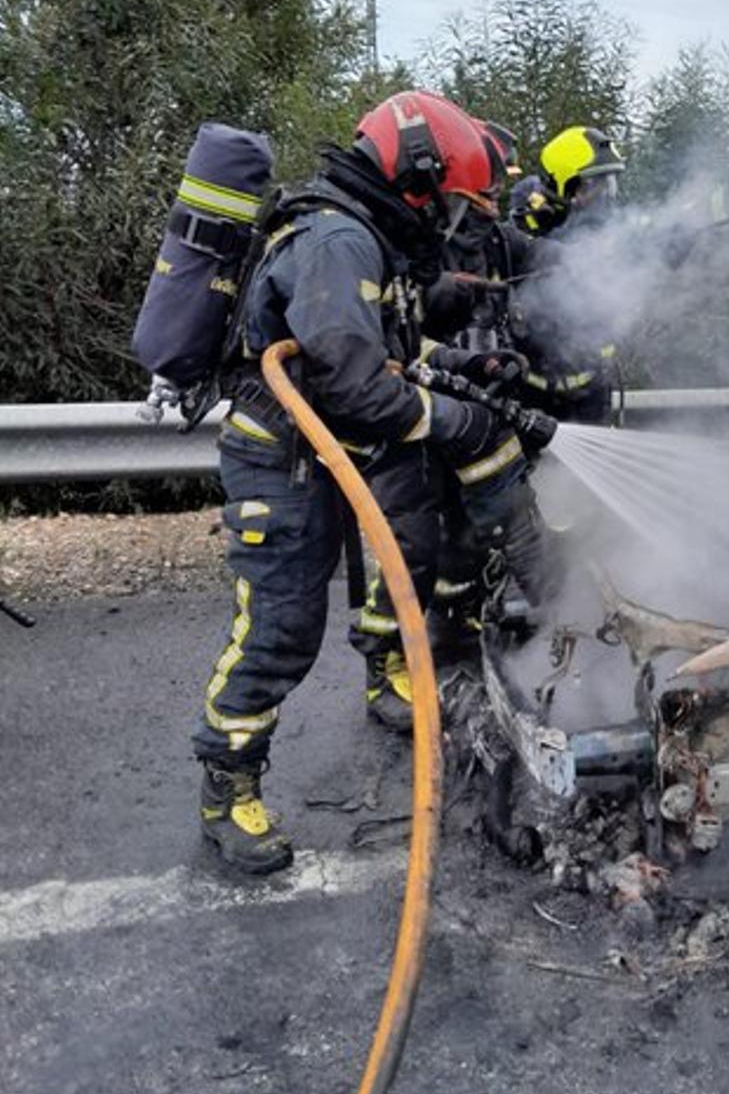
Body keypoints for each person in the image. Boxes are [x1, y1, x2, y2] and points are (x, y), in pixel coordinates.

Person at [195, 90, 553, 875]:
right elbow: (359, 386)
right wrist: (453, 420)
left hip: (331, 440)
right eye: (451, 205)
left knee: (412, 545)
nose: (455, 225)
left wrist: (466, 368)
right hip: (283, 455)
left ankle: (515, 611)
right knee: (280, 628)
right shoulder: (336, 243)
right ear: (419, 178)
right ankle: (228, 791)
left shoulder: (367, 238)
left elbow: (390, 349)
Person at [512, 125, 625, 425]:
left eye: (609, 185)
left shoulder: (602, 237)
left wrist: (665, 244)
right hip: (529, 397)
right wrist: (545, 252)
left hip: (591, 392)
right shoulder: (526, 229)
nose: (604, 199)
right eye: (593, 188)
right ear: (563, 188)